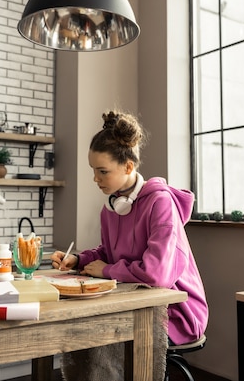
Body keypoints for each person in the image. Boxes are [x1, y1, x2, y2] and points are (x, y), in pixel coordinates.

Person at [51, 110, 208, 346]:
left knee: (95, 333)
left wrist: (106, 271)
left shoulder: (160, 203)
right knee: (81, 328)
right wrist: (79, 259)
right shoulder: (112, 207)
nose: (96, 178)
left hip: (177, 313)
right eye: (93, 170)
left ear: (128, 167)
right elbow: (109, 254)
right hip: (139, 301)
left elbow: (156, 275)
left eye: (103, 171)